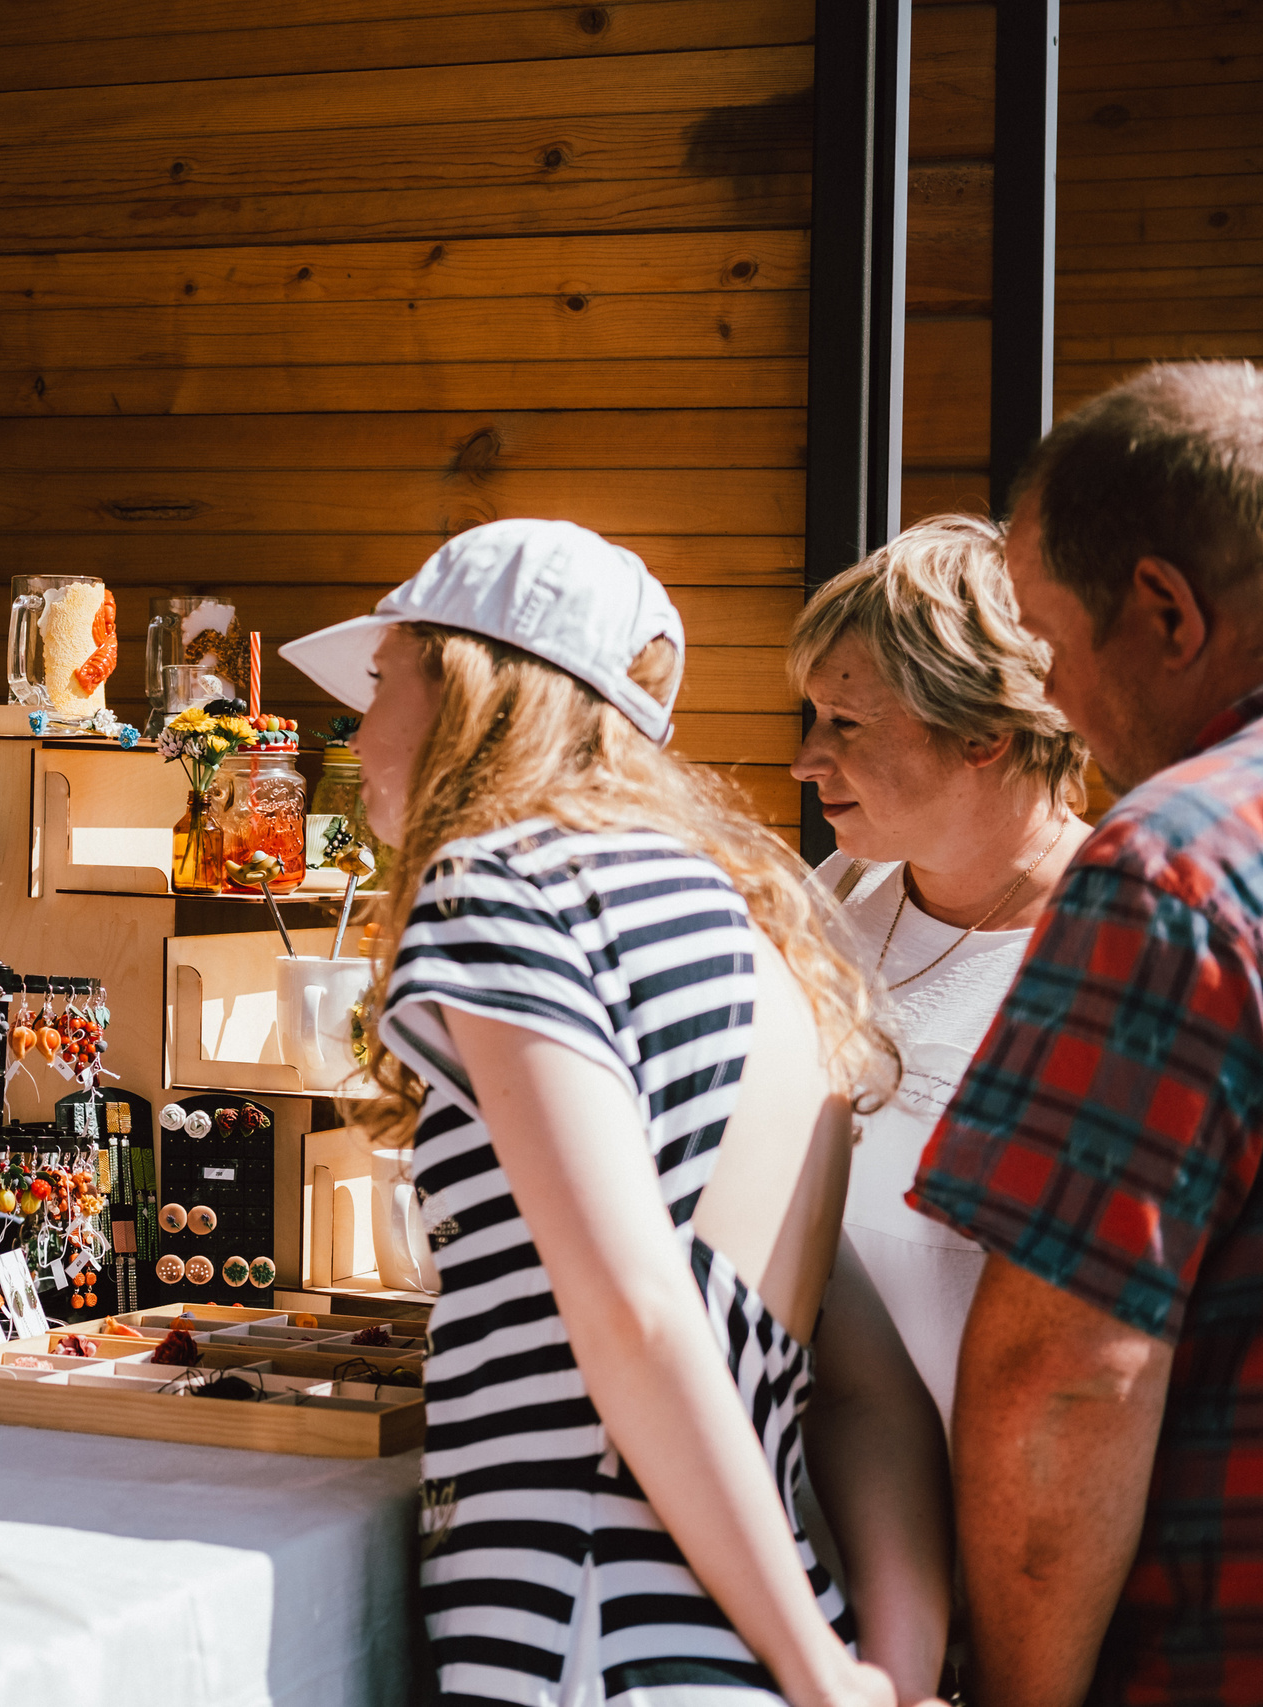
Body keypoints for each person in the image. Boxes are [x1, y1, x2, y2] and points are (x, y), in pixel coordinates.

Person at [284, 520, 950, 1707]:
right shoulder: (751, 929)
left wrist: (818, 1673)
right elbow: (865, 1388)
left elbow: (634, 1304)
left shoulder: (495, 882)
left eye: (380, 680)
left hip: (580, 1642)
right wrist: (878, 1674)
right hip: (742, 1649)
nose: (354, 730)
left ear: (462, 688)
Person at [911, 359, 1263, 1704]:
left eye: (1050, 646)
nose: (1051, 699)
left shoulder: (1178, 862)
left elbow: (1066, 1372)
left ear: (1166, 610)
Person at [785, 515, 1091, 1425]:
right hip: (806, 1500)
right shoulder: (836, 888)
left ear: (982, 730)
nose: (806, 760)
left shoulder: (1108, 942)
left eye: (845, 722)